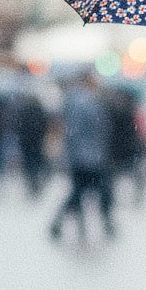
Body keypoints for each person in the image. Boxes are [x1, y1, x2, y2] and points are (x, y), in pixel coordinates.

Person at [49, 71, 116, 241]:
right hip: (88, 156)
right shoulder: (83, 102)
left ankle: (70, 224)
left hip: (84, 155)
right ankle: (103, 224)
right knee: (94, 191)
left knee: (80, 191)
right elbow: (82, 130)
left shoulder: (73, 100)